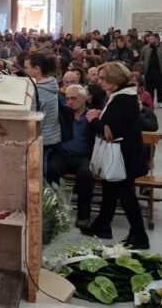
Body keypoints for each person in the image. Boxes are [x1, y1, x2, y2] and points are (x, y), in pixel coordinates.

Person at [81, 62, 150, 249]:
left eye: (103, 78)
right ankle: (103, 225)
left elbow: (110, 131)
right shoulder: (122, 95)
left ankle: (140, 236)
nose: (100, 82)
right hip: (123, 153)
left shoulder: (122, 98)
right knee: (110, 190)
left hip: (124, 156)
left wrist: (93, 120)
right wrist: (101, 118)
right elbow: (111, 123)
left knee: (127, 196)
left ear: (115, 79)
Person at [45, 84, 95, 228]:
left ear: (84, 99)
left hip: (83, 156)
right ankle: (54, 211)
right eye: (67, 99)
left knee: (86, 174)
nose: (70, 102)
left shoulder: (91, 116)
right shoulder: (62, 115)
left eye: (74, 98)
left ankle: (84, 215)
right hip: (63, 155)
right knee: (51, 168)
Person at [24, 53, 61, 181]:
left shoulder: (39, 90)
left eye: (26, 68)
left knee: (39, 175)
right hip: (51, 135)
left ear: (37, 69)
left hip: (43, 137)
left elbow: (30, 114)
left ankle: (44, 193)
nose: (24, 71)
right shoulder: (51, 84)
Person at [140, 34, 162, 108]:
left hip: (160, 71)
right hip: (149, 70)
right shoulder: (145, 48)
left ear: (157, 39)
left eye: (151, 39)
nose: (149, 40)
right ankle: (150, 101)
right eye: (149, 39)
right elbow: (141, 58)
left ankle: (160, 101)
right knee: (149, 87)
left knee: (160, 87)